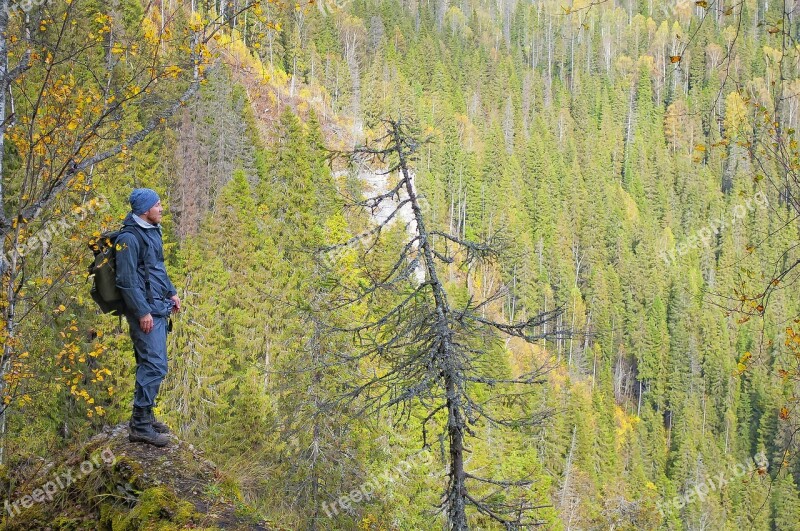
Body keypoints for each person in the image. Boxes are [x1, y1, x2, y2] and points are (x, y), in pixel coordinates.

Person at [115, 188, 181, 447]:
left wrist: (172, 291)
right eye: (158, 205)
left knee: (150, 364)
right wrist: (142, 312)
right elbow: (126, 281)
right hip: (145, 312)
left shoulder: (152, 230)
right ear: (145, 210)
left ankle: (146, 415)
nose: (162, 208)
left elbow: (157, 267)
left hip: (157, 306)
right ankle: (140, 426)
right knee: (155, 365)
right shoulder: (129, 238)